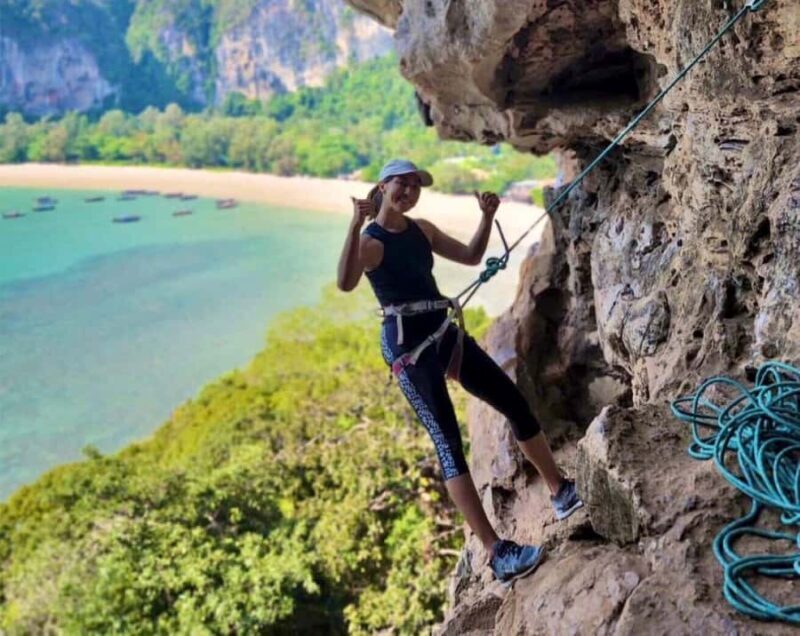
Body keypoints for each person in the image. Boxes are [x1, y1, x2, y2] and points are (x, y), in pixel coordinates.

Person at [337, 159, 583, 583]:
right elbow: (345, 282)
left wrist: (487, 218)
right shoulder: (371, 241)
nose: (409, 192)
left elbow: (470, 256)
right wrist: (353, 225)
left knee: (513, 401)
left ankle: (560, 490)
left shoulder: (422, 231)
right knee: (448, 443)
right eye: (402, 184)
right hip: (409, 350)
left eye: (415, 186)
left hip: (442, 331)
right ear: (383, 186)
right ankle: (497, 552)